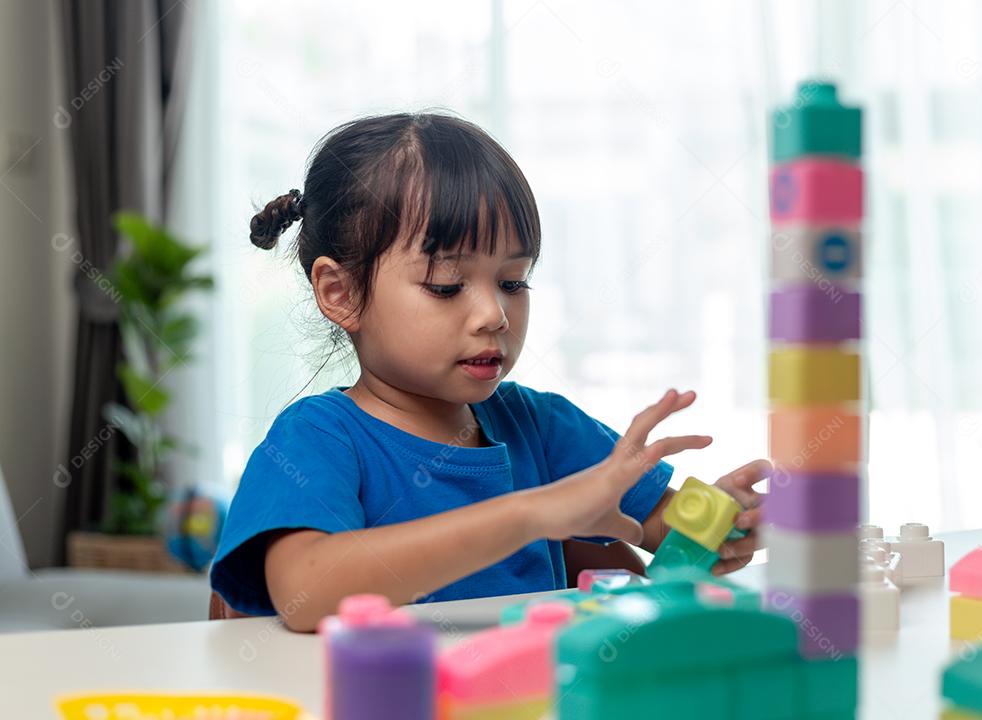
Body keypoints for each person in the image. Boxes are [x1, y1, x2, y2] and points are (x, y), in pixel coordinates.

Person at [209, 113, 770, 632]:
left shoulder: (540, 426)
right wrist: (529, 514)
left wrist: (722, 522)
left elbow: (661, 529)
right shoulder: (318, 437)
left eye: (512, 282)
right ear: (341, 293)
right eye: (447, 286)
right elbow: (305, 590)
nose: (494, 314)